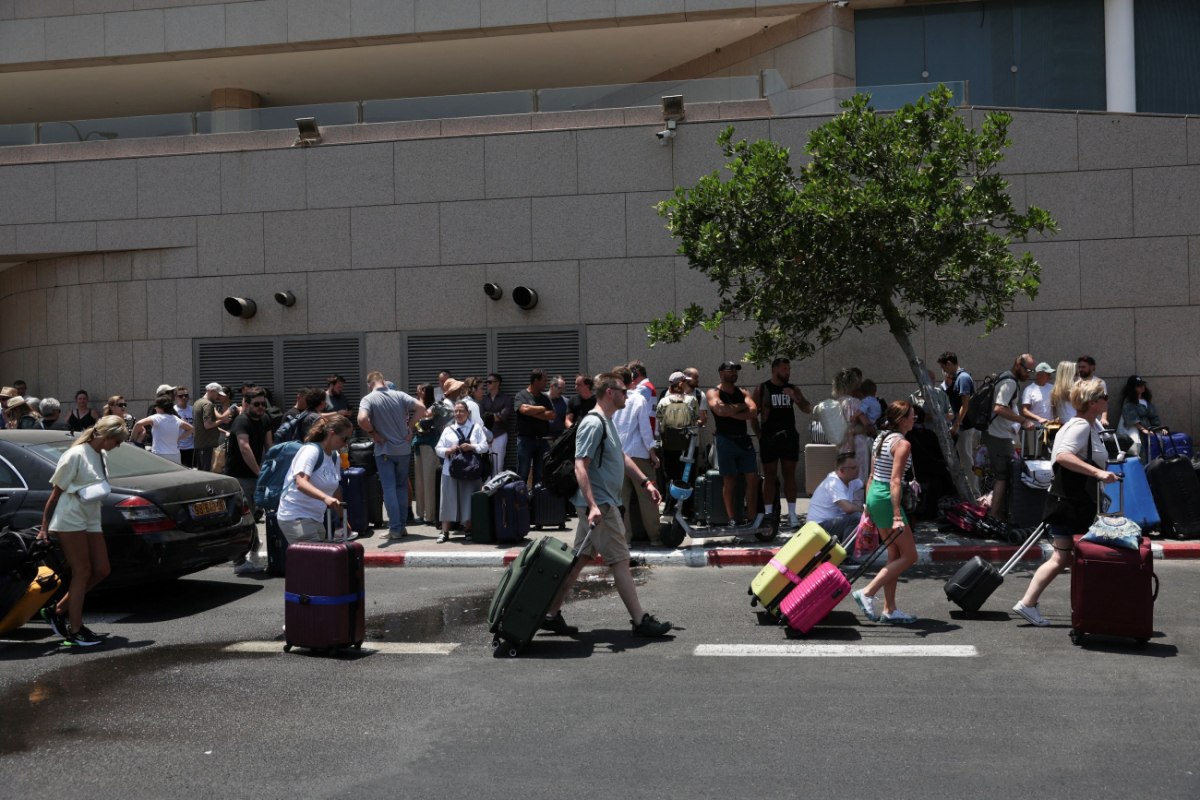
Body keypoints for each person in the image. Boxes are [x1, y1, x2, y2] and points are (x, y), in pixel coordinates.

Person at [541, 372, 672, 638]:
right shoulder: (593, 423)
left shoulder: (607, 421)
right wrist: (592, 506)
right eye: (624, 391)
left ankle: (550, 614)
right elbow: (580, 465)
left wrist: (645, 482)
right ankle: (639, 620)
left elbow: (621, 456)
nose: (627, 395)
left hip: (600, 505)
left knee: (578, 560)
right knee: (621, 560)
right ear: (610, 392)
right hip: (601, 506)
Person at [1013, 379, 1118, 627]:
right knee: (1082, 556)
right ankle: (1092, 609)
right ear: (1093, 402)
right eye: (1104, 397)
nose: (1107, 401)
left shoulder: (1085, 425)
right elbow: (1063, 457)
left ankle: (1030, 603)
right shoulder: (1080, 426)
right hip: (1073, 503)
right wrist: (1097, 473)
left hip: (1069, 501)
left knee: (1063, 558)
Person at [36, 415, 128, 647]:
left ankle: (58, 610)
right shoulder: (75, 455)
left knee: (102, 569)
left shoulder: (101, 454)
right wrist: (44, 528)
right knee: (82, 571)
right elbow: (55, 494)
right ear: (106, 436)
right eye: (117, 441)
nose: (118, 446)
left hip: (91, 517)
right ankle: (75, 630)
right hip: (70, 518)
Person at [850, 401, 919, 625]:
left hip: (875, 496)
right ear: (901, 419)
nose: (914, 419)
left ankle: (890, 609)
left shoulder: (880, 438)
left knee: (894, 554)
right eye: (912, 416)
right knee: (910, 556)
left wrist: (868, 506)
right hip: (888, 498)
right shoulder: (903, 444)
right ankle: (868, 592)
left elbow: (871, 475)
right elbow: (896, 480)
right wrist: (897, 514)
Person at [357, 371, 424, 541]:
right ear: (383, 382)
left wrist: (373, 433)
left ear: (370, 383)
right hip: (403, 449)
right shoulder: (399, 395)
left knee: (389, 489)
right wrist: (410, 427)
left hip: (385, 450)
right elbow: (422, 408)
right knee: (401, 486)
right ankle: (401, 527)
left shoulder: (369, 399)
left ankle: (394, 528)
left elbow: (362, 419)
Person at [752, 357, 812, 528]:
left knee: (789, 475)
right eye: (785, 369)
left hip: (789, 437)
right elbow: (752, 415)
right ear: (774, 370)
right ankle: (769, 514)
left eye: (789, 369)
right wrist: (759, 435)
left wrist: (796, 398)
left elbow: (808, 409)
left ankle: (792, 514)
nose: (788, 372)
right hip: (769, 438)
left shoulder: (793, 388)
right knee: (769, 476)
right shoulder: (762, 388)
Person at [275, 416, 351, 543]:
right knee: (314, 560)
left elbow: (335, 489)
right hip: (296, 516)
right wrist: (325, 498)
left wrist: (343, 519)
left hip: (316, 518)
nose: (346, 443)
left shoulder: (334, 456)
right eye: (344, 438)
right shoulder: (310, 451)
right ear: (332, 434)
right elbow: (301, 482)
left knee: (313, 560)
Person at [983, 354, 1036, 520]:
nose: (1029, 374)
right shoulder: (1009, 382)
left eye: (1031, 371)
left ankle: (997, 514)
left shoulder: (1006, 377)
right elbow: (999, 408)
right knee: (1003, 476)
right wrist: (1023, 420)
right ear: (1018, 364)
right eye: (1027, 369)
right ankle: (995, 516)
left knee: (1001, 475)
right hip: (998, 435)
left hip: (997, 433)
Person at [612, 365, 661, 544]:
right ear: (631, 379)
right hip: (638, 455)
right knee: (648, 498)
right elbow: (645, 430)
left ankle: (624, 538)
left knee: (621, 500)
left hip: (617, 456)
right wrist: (653, 454)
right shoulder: (638, 399)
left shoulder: (609, 400)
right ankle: (655, 537)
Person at [227, 387, 273, 574]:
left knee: (253, 515)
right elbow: (244, 448)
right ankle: (239, 562)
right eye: (257, 404)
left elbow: (270, 446)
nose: (261, 407)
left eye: (263, 404)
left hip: (256, 475)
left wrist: (272, 470)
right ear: (246, 404)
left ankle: (254, 549)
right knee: (243, 518)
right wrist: (260, 473)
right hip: (241, 476)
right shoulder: (241, 421)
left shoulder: (265, 419)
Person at [707, 361, 759, 525]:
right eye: (730, 370)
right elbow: (720, 410)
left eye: (736, 370)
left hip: (743, 439)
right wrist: (741, 407)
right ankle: (732, 519)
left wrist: (733, 411)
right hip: (725, 440)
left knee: (752, 478)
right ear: (721, 373)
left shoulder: (742, 391)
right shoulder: (713, 392)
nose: (734, 373)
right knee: (729, 480)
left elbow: (753, 411)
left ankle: (751, 517)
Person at [434, 401, 489, 543]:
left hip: (471, 470)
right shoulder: (448, 429)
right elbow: (438, 449)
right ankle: (444, 531)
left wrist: (472, 447)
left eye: (461, 411)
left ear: (468, 413)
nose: (458, 414)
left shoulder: (476, 428)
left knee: (468, 501)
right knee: (447, 500)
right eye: (456, 411)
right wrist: (448, 450)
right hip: (449, 471)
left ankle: (468, 530)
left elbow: (484, 447)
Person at [656, 372, 699, 516]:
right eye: (685, 382)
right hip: (687, 446)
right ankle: (686, 509)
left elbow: (659, 424)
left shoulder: (663, 401)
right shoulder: (691, 400)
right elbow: (695, 421)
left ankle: (669, 508)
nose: (687, 384)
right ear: (681, 383)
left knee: (671, 477)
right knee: (687, 476)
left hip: (668, 446)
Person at [937, 352, 979, 497]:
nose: (944, 371)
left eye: (944, 367)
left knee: (967, 460)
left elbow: (965, 405)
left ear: (949, 363)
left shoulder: (963, 378)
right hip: (961, 425)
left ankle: (974, 493)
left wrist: (956, 424)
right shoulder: (956, 378)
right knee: (964, 460)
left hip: (965, 426)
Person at [807, 452, 865, 547]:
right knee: (857, 517)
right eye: (853, 468)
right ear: (842, 471)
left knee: (857, 517)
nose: (857, 470)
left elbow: (866, 484)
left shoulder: (851, 480)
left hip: (829, 524)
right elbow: (848, 508)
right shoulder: (834, 482)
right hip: (818, 527)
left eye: (857, 467)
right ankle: (845, 555)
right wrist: (865, 511)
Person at [833, 367, 875, 484]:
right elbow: (866, 423)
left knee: (845, 477)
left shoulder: (836, 404)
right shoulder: (854, 402)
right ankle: (857, 501)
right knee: (858, 477)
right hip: (858, 444)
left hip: (843, 444)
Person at [514, 369, 555, 486]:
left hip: (542, 440)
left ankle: (537, 501)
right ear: (535, 381)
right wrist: (542, 409)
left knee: (540, 475)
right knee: (523, 472)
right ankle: (521, 501)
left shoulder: (545, 398)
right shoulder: (521, 395)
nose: (546, 383)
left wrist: (532, 411)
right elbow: (523, 410)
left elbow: (552, 415)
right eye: (544, 380)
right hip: (525, 440)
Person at [411, 384, 444, 526]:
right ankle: (421, 513)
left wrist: (420, 400)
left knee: (429, 481)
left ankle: (430, 515)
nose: (420, 392)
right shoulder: (418, 404)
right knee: (419, 481)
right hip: (418, 445)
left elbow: (425, 417)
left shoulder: (434, 405)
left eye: (423, 390)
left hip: (430, 446)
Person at [133, 397, 194, 463]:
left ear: (160, 407)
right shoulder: (176, 419)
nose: (155, 408)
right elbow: (191, 429)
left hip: (159, 455)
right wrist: (179, 438)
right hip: (175, 455)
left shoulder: (156, 417)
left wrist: (132, 440)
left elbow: (138, 424)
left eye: (156, 406)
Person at [1118, 376, 1163, 461]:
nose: (1142, 387)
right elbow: (1131, 417)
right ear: (1133, 388)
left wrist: (1158, 428)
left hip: (1148, 429)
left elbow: (1153, 416)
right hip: (1135, 430)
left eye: (1143, 385)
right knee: (1138, 451)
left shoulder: (1145, 400)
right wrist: (1142, 429)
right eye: (1139, 386)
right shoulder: (1128, 401)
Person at [193, 382, 234, 471]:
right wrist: (222, 420)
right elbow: (208, 425)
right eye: (217, 394)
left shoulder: (197, 402)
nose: (218, 397)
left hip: (199, 444)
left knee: (201, 472)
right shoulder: (208, 404)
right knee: (207, 473)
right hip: (207, 444)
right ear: (211, 391)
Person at [480, 373, 511, 477]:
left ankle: (497, 490)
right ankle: (487, 491)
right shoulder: (484, 400)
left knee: (498, 465)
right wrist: (495, 415)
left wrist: (489, 416)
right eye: (486, 382)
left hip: (499, 435)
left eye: (490, 382)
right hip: (485, 436)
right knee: (486, 464)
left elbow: (503, 416)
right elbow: (482, 417)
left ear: (497, 383)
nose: (487, 384)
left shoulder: (506, 399)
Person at [1075, 355, 1109, 427]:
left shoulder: (1100, 383)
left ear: (1092, 367)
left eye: (1083, 367)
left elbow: (1104, 402)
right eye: (1079, 367)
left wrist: (1104, 418)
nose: (1080, 369)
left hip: (1095, 422)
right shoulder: (1076, 383)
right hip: (1080, 421)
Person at [1021, 362, 1056, 427]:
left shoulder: (1052, 388)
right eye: (1047, 374)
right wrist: (1039, 419)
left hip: (1050, 427)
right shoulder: (1029, 390)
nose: (1049, 376)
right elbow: (1024, 411)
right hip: (1035, 428)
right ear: (1039, 375)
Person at [172, 386, 195, 466]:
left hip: (191, 447)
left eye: (186, 395)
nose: (184, 397)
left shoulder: (193, 410)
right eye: (180, 396)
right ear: (175, 398)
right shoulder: (172, 411)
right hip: (176, 447)